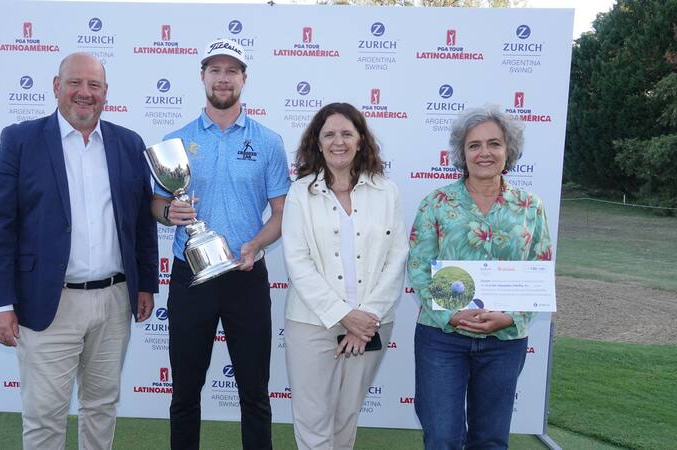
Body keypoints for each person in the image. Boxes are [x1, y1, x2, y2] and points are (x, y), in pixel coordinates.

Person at [0, 52, 159, 450]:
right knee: (44, 415)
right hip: (48, 303)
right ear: (57, 86)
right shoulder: (20, 141)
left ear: (106, 92)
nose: (84, 92)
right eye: (75, 82)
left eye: (94, 85)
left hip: (115, 300)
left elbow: (141, 224)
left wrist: (146, 283)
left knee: (102, 406)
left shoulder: (129, 144)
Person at [150, 38, 290, 450]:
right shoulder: (176, 140)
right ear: (203, 77)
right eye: (215, 70)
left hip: (246, 274)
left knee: (255, 392)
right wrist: (168, 212)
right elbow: (157, 202)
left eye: (231, 71)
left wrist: (254, 246)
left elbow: (281, 213)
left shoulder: (268, 141)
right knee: (185, 391)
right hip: (190, 275)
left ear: (244, 78)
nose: (223, 78)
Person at [407, 106, 553, 449]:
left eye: (494, 144)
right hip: (442, 337)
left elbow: (540, 269)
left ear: (508, 150)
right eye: (474, 145)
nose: (484, 152)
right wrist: (451, 314)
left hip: (504, 341)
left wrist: (511, 317)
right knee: (442, 437)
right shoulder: (436, 203)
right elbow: (418, 266)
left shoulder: (530, 206)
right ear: (462, 152)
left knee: (490, 440)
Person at [280, 102, 408, 450]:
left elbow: (397, 257)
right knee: (313, 421)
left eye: (347, 134)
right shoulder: (300, 193)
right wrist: (343, 315)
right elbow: (298, 262)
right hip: (312, 324)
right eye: (329, 134)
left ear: (361, 140)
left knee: (346, 417)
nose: (339, 142)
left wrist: (366, 316)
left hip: (370, 324)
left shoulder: (387, 191)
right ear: (317, 142)